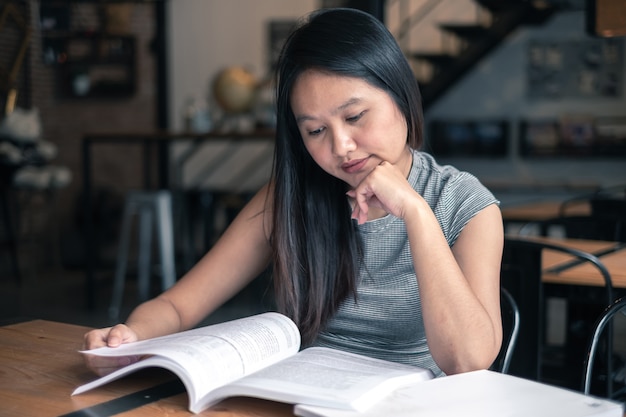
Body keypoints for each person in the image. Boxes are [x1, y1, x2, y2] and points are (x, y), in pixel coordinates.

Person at [83, 7, 504, 379]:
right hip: (306, 399)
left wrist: (415, 211)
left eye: (355, 116)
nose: (341, 146)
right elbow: (178, 307)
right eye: (315, 130)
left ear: (401, 95)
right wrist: (129, 338)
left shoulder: (467, 205)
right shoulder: (289, 199)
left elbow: (468, 361)